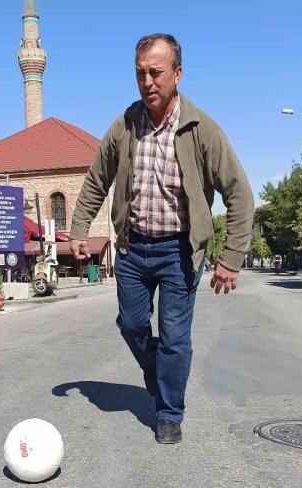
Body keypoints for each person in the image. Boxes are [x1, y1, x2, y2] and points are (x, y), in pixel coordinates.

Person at [68, 33, 254, 444]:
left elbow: (239, 194)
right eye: (140, 73)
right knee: (132, 324)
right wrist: (79, 228)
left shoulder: (202, 129)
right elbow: (97, 180)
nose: (147, 81)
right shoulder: (125, 125)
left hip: (178, 251)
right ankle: (155, 370)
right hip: (134, 246)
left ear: (178, 74)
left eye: (156, 72)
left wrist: (231, 257)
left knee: (175, 337)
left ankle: (169, 412)